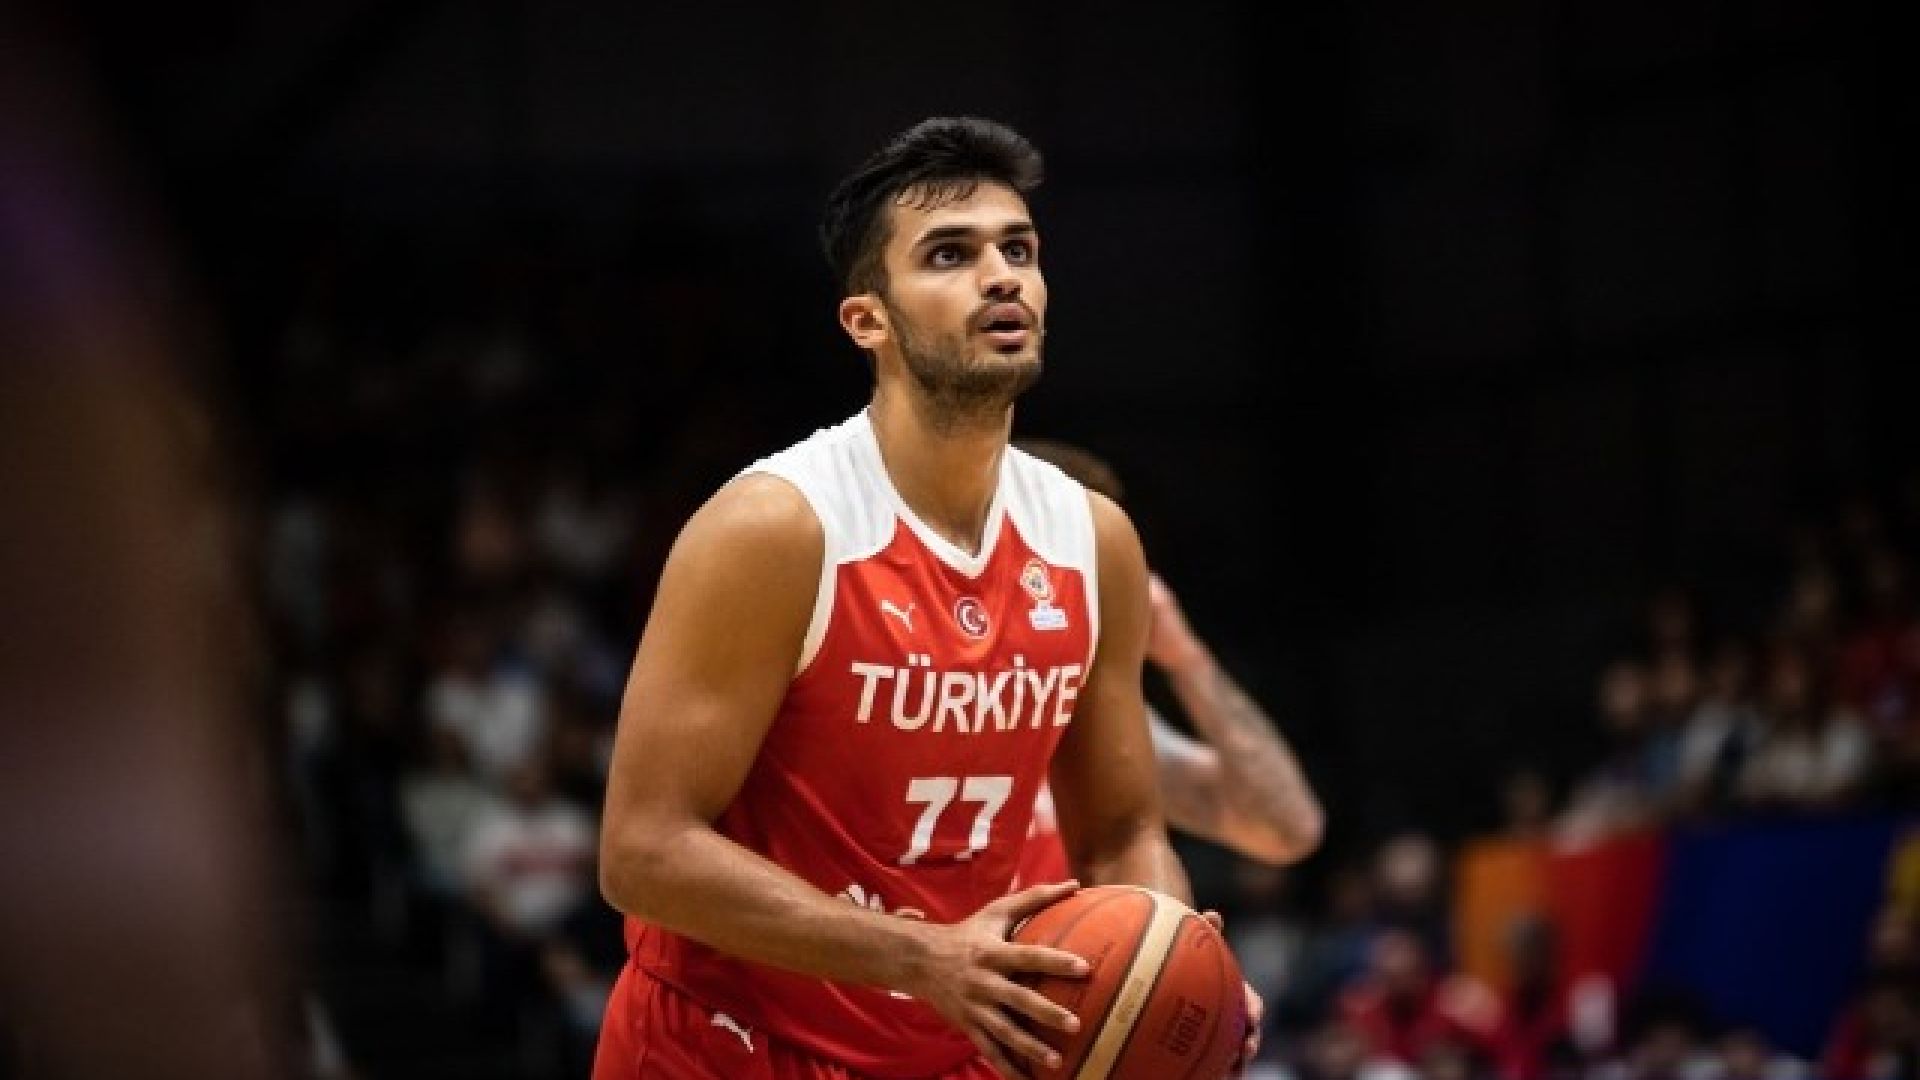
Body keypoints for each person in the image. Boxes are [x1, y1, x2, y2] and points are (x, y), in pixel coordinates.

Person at [593, 116, 1256, 1080]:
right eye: (950, 254)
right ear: (868, 320)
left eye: (1018, 250)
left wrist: (1172, 967)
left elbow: (1122, 833)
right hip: (728, 1041)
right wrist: (921, 957)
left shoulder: (1093, 540)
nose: (1001, 277)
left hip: (957, 1037)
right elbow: (643, 852)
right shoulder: (777, 528)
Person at [1010, 440, 1323, 884]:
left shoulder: (1094, 716)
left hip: (1072, 931)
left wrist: (1186, 658)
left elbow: (1286, 830)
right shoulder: (930, 688)